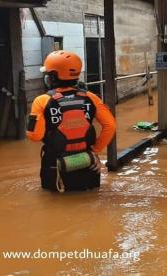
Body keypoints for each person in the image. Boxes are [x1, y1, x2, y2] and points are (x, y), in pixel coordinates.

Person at [26, 50, 116, 192]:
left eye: (48, 74)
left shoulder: (42, 101)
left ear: (53, 77)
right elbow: (110, 125)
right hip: (87, 162)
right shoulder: (91, 97)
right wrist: (95, 151)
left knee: (54, 207)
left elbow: (34, 136)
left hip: (55, 165)